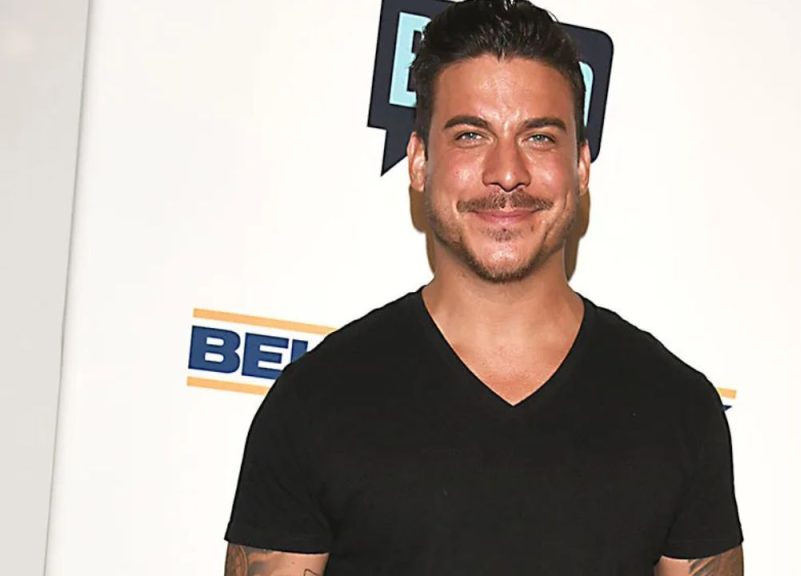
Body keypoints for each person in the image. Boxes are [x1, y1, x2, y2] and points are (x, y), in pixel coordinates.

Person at [223, 1, 743, 574]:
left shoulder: (677, 411)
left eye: (539, 137)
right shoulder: (313, 404)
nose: (507, 173)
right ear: (419, 162)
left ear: (581, 167)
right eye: (471, 135)